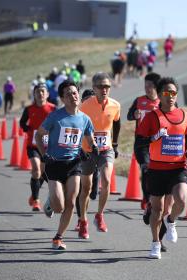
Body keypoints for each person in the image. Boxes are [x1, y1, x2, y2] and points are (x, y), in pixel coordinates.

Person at [137, 77, 187, 259]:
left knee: (182, 199)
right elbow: (140, 142)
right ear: (160, 95)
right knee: (157, 209)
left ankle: (171, 221)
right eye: (166, 93)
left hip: (178, 167)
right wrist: (154, 138)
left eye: (173, 93)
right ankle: (155, 243)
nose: (170, 96)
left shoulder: (185, 116)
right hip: (157, 170)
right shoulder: (152, 117)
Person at [35, 80, 96, 250]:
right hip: (54, 164)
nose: (73, 96)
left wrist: (94, 148)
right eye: (68, 94)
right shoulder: (55, 116)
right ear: (62, 98)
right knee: (59, 206)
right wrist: (44, 154)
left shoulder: (85, 119)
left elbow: (90, 140)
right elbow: (38, 136)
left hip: (74, 165)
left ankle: (58, 237)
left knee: (70, 202)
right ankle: (51, 200)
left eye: (75, 92)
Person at [78, 72, 121, 239]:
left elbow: (117, 123)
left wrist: (115, 144)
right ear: (94, 88)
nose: (104, 90)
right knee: (86, 188)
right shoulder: (84, 106)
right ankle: (83, 221)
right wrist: (80, 148)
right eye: (101, 87)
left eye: (107, 86)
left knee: (107, 180)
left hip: (105, 149)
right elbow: (78, 127)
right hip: (87, 151)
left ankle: (99, 215)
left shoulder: (115, 105)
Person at [127, 72, 161, 209]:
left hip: (158, 143)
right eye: (146, 86)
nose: (147, 89)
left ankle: (155, 197)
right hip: (141, 142)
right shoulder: (139, 101)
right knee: (146, 169)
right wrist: (134, 115)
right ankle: (147, 199)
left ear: (157, 87)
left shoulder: (163, 102)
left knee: (157, 173)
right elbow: (129, 115)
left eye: (151, 86)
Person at [19, 83, 56, 211]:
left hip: (48, 146)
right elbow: (22, 122)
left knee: (42, 173)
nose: (40, 94)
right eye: (37, 92)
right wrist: (28, 129)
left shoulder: (53, 108)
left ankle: (33, 194)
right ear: (34, 94)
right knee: (36, 170)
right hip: (33, 145)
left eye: (42, 91)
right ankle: (36, 201)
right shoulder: (29, 109)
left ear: (47, 94)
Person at [74, 89, 100, 232]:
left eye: (93, 99)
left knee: (92, 193)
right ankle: (81, 219)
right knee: (80, 190)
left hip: (93, 156)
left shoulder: (97, 115)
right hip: (78, 156)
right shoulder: (78, 116)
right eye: (88, 100)